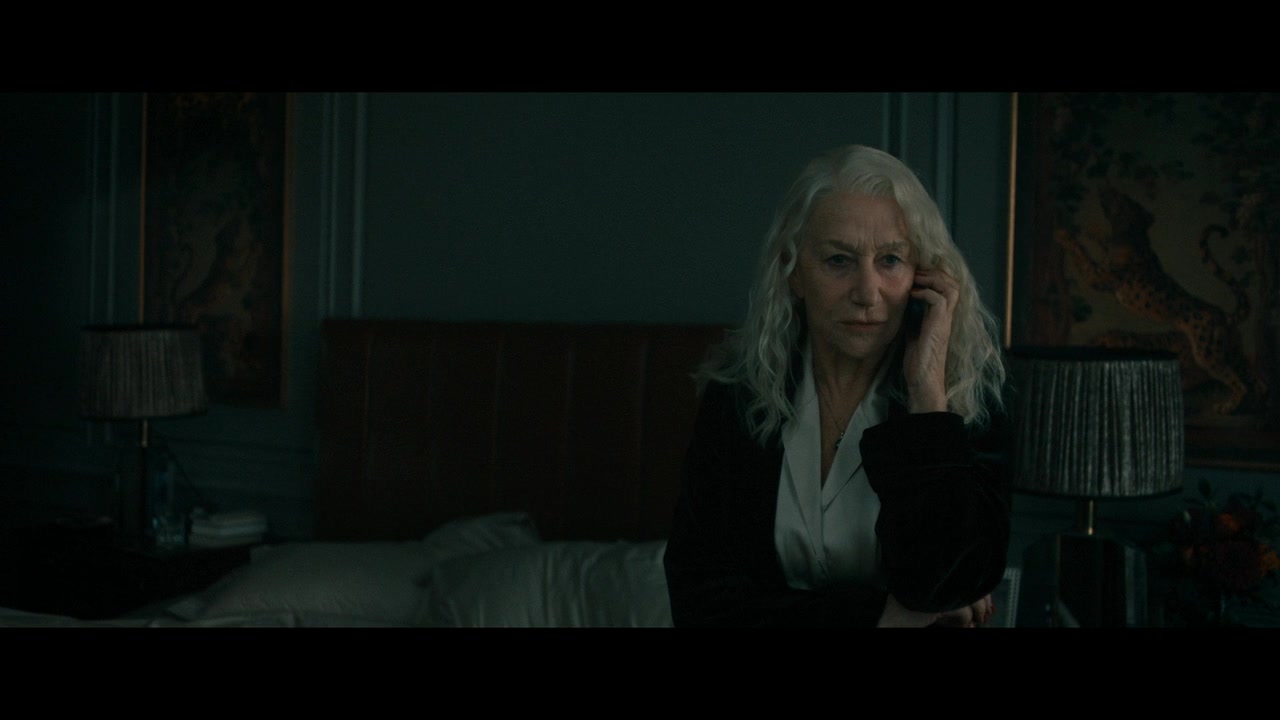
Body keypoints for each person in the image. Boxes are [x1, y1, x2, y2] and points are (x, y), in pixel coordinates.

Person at [663, 144, 1010, 627]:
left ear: (922, 276)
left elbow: (947, 583)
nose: (867, 293)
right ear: (794, 272)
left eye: (891, 260)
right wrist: (884, 618)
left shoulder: (967, 400)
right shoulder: (738, 396)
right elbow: (701, 603)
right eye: (839, 260)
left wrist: (928, 399)